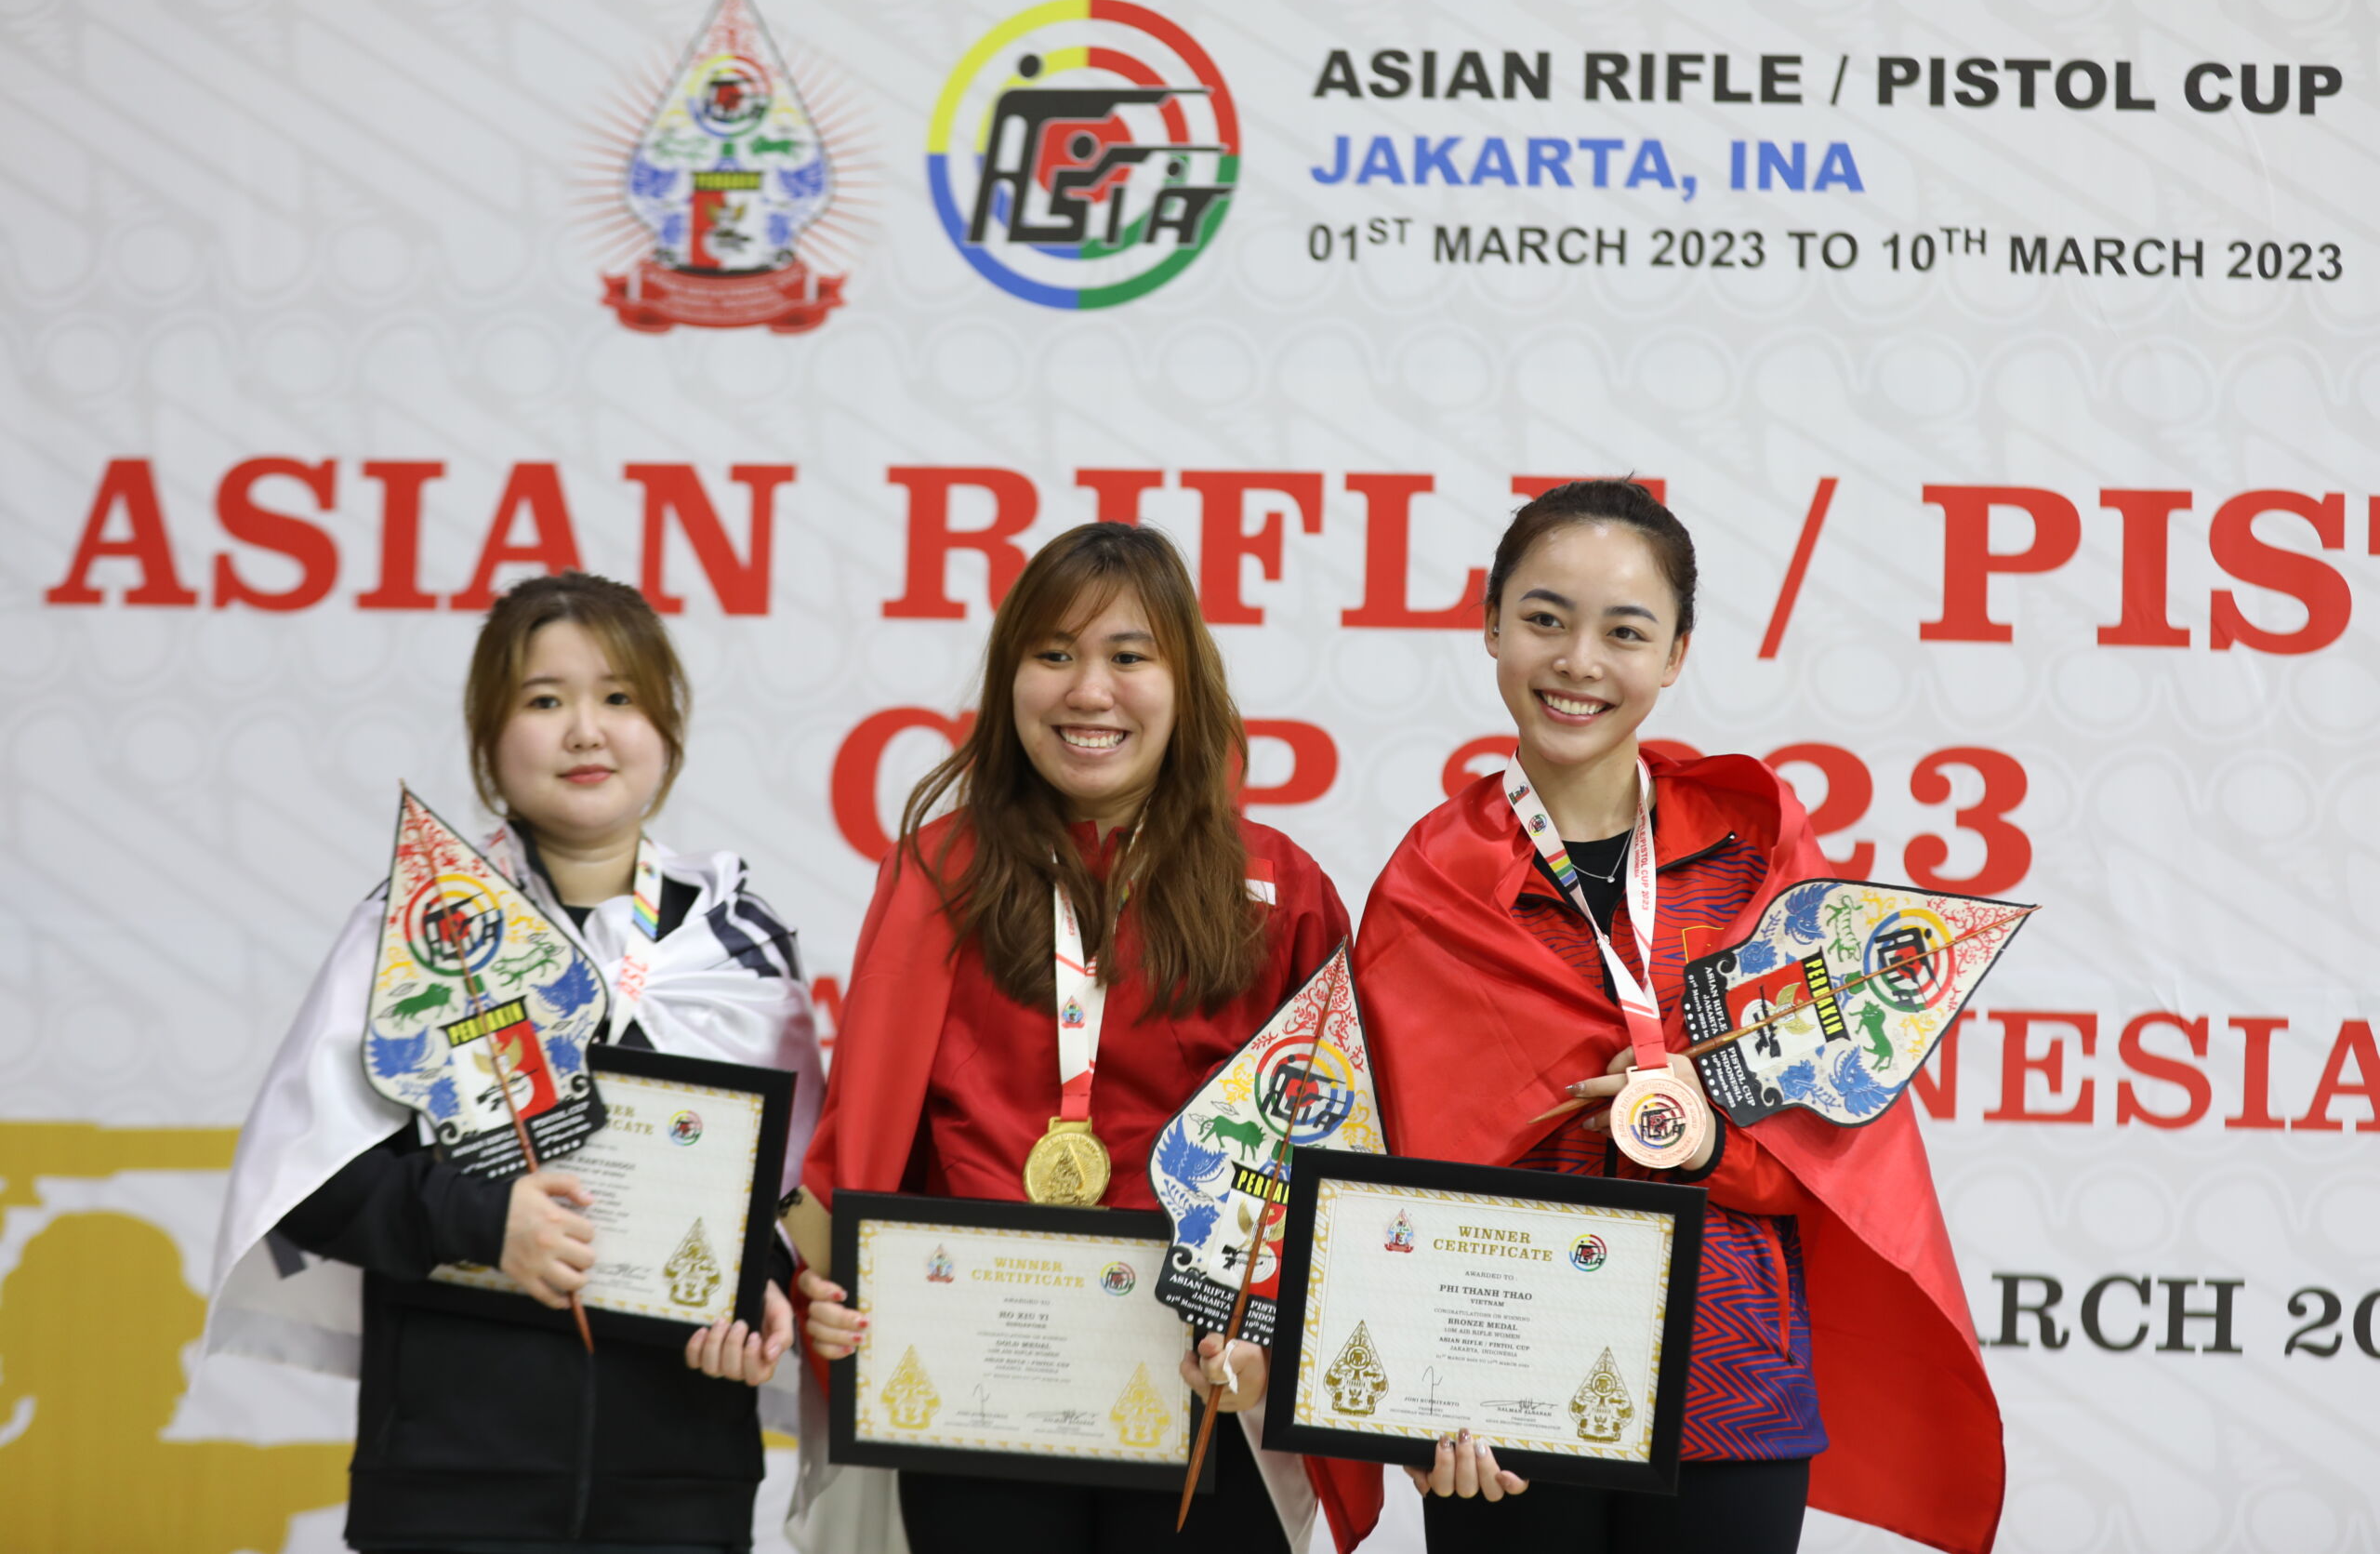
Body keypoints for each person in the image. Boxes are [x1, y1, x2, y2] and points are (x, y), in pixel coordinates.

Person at [1351, 482, 2003, 1554]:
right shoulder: (1431, 884)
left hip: (1729, 1390)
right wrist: (1406, 1396)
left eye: (1624, 631)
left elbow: (1832, 1147)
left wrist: (1704, 1144)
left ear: (1675, 656)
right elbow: (1380, 1168)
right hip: (1499, 1394)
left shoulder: (1756, 860)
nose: (1579, 662)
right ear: (1491, 625)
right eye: (1545, 619)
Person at [205, 571, 825, 1551]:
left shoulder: (737, 942)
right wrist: (485, 1221)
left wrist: (763, 1298)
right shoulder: (422, 928)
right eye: (544, 701)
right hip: (453, 1474)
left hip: (680, 1481)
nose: (586, 731)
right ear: (487, 737)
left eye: (620, 697)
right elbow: (307, 1184)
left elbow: (788, 1197)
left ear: (667, 729)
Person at [790, 523, 1368, 1553]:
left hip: (1198, 1373)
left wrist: (1274, 1339)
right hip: (977, 1370)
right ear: (1008, 677)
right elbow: (865, 1133)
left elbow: (1330, 1157)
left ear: (1184, 681)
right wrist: (832, 1287)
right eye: (1053, 653)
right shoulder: (937, 874)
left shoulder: (1277, 890)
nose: (1089, 691)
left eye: (1129, 656)